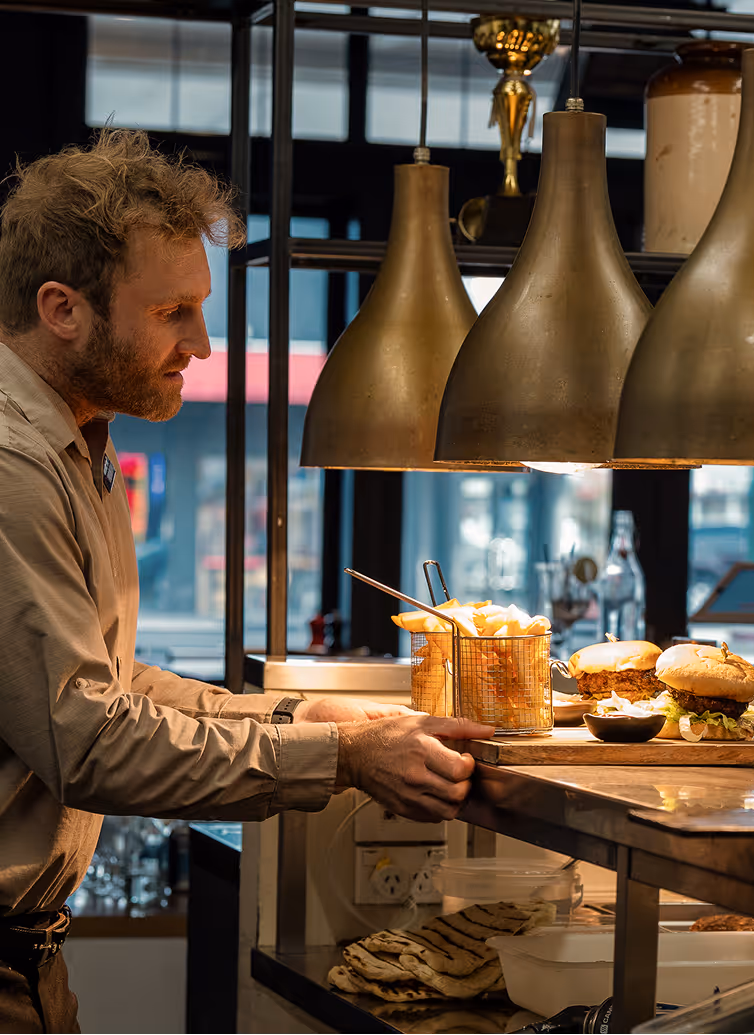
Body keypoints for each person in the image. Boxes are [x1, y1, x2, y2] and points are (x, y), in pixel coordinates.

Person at [0, 129, 496, 1032]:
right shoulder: (12, 465)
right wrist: (341, 756)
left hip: (31, 959)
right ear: (61, 308)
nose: (201, 343)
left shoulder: (79, 447)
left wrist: (299, 714)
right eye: (172, 313)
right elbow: (89, 741)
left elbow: (110, 687)